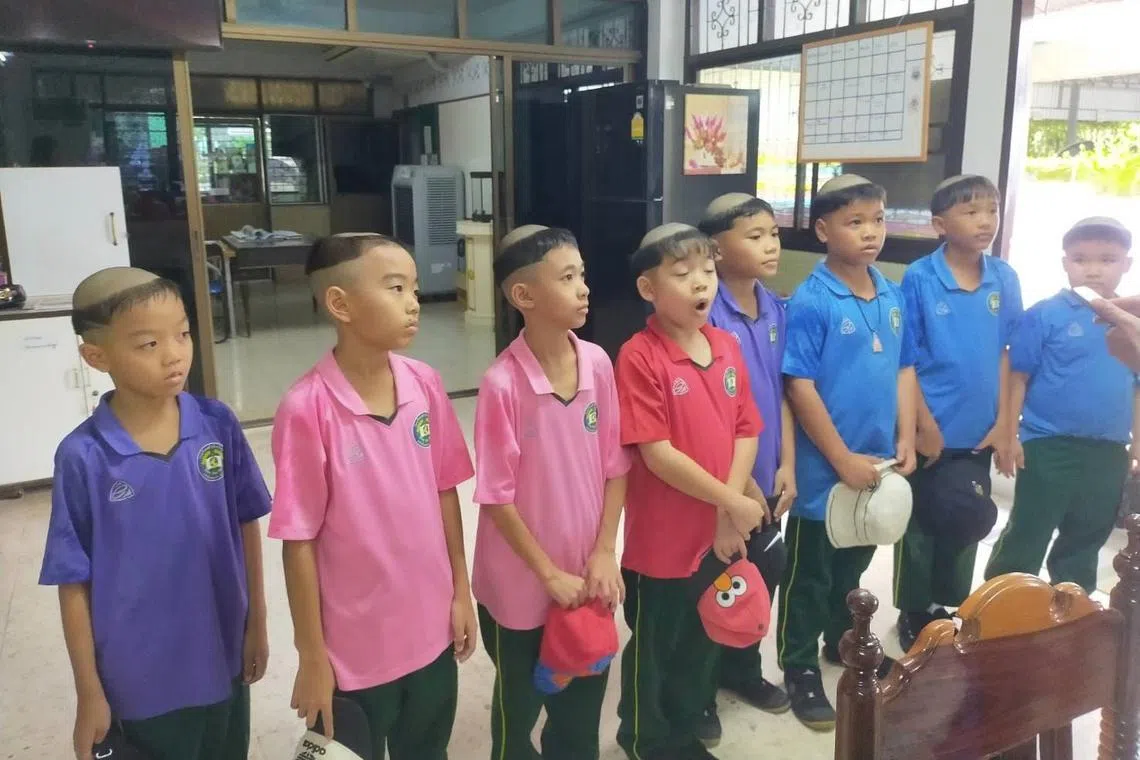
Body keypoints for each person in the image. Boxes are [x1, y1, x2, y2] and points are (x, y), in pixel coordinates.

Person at [40, 267, 270, 760]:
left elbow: (246, 523)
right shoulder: (84, 456)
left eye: (183, 334)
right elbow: (72, 581)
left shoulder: (216, 424)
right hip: (142, 680)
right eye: (148, 344)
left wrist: (258, 625)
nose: (175, 354)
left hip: (225, 657)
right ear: (95, 356)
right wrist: (89, 693)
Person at [269, 234, 477, 760]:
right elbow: (298, 542)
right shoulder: (307, 408)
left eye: (412, 286)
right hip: (353, 656)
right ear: (339, 303)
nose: (414, 301)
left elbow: (444, 491)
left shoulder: (425, 384)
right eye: (394, 288)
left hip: (431, 636)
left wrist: (460, 592)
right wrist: (312, 654)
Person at [471, 225, 630, 760]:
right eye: (568, 277)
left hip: (589, 576)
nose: (584, 287)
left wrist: (605, 551)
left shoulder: (598, 364)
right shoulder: (502, 384)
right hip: (522, 586)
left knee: (582, 701)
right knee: (519, 708)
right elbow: (496, 498)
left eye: (581, 274)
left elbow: (616, 465)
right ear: (524, 296)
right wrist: (547, 574)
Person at [615, 223, 768, 760]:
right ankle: (642, 736)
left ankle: (684, 727)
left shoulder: (725, 345)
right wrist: (731, 502)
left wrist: (730, 509)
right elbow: (657, 454)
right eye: (682, 274)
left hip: (719, 534)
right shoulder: (639, 355)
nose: (701, 283)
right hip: (662, 543)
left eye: (707, 271)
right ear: (648, 289)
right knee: (656, 645)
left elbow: (746, 427)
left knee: (706, 632)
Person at [778, 175, 917, 732]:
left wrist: (906, 434)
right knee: (808, 572)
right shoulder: (812, 299)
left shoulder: (891, 292)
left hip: (876, 462)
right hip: (823, 472)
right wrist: (838, 458)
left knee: (854, 561)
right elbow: (799, 386)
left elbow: (904, 367)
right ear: (822, 229)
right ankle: (797, 665)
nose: (870, 233)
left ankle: (843, 642)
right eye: (854, 222)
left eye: (878, 220)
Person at [892, 175, 1023, 652]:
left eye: (991, 210)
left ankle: (948, 602)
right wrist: (923, 424)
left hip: (981, 431)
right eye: (971, 212)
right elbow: (908, 357)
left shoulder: (1004, 278)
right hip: (933, 431)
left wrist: (1007, 423)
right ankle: (913, 608)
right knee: (922, 524)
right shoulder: (920, 278)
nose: (985, 221)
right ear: (939, 225)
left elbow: (1012, 353)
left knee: (967, 517)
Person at [985, 217, 1137, 591]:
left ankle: (1071, 609)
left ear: (1127, 264)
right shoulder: (1045, 315)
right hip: (1048, 445)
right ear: (1065, 262)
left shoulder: (1132, 321)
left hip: (1109, 450)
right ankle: (1000, 602)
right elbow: (1016, 377)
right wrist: (1008, 436)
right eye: (1081, 259)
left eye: (1107, 259)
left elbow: (1136, 389)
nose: (1094, 269)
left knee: (1088, 534)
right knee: (1029, 529)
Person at [697, 193, 794, 742]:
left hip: (770, 478)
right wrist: (747, 486)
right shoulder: (705, 312)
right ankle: (702, 687)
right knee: (719, 582)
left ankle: (744, 669)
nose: (770, 244)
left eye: (773, 233)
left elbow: (781, 392)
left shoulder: (775, 307)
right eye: (753, 235)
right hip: (728, 484)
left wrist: (788, 468)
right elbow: (712, 418)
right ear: (716, 248)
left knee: (761, 575)